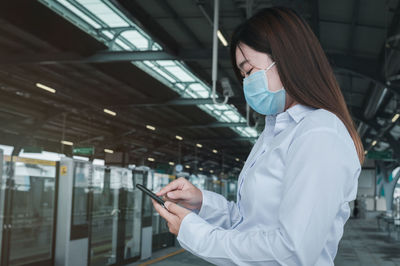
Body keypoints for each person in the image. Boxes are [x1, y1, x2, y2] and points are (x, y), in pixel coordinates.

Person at [151, 7, 363, 266]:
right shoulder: (273, 133)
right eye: (243, 76)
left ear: (286, 59)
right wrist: (202, 202)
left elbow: (292, 251)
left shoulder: (319, 133)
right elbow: (249, 223)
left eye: (249, 70)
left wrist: (197, 234)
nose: (246, 83)